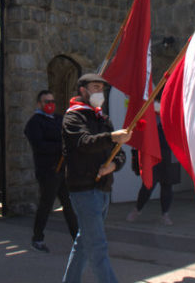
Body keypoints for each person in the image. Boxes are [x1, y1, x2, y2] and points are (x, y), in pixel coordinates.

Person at [62, 73, 131, 283]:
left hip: (102, 189)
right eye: (95, 87)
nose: (99, 92)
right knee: (97, 247)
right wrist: (111, 137)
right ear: (82, 90)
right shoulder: (73, 117)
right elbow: (83, 142)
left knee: (84, 244)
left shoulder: (102, 117)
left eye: (101, 88)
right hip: (83, 189)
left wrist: (113, 165)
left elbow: (118, 152)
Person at [24, 90, 78, 253]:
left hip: (63, 169)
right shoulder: (34, 123)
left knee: (69, 205)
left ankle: (77, 238)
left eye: (52, 101)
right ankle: (37, 238)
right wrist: (59, 148)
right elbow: (39, 145)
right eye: (46, 101)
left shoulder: (59, 119)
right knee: (46, 205)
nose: (50, 104)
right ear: (39, 104)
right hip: (48, 170)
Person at [126, 100, 180, 226]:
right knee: (148, 184)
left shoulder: (173, 112)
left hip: (170, 152)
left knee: (168, 184)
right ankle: (137, 209)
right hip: (152, 152)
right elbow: (139, 129)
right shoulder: (148, 113)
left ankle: (165, 214)